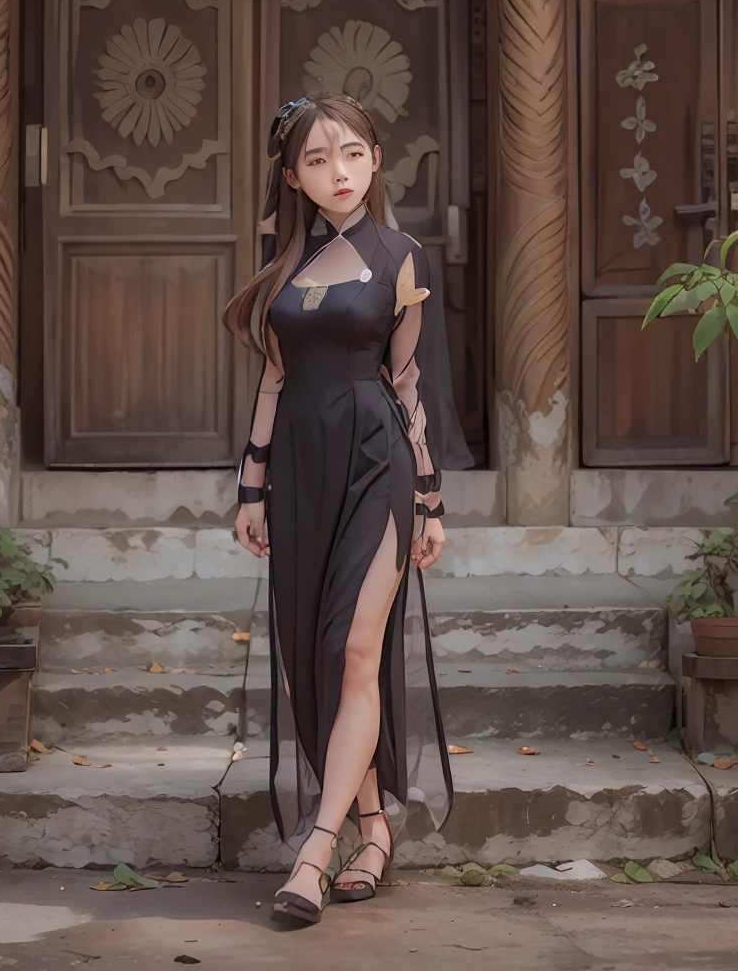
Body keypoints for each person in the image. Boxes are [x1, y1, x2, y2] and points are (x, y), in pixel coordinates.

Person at [224, 92, 455, 928]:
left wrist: (429, 498)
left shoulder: (402, 254)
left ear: (375, 158)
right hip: (298, 468)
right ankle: (372, 827)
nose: (340, 172)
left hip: (377, 460)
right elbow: (275, 378)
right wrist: (251, 484)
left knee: (355, 645)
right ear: (293, 176)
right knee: (311, 657)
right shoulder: (281, 263)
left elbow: (408, 383)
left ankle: (316, 850)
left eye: (353, 153)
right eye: (318, 160)